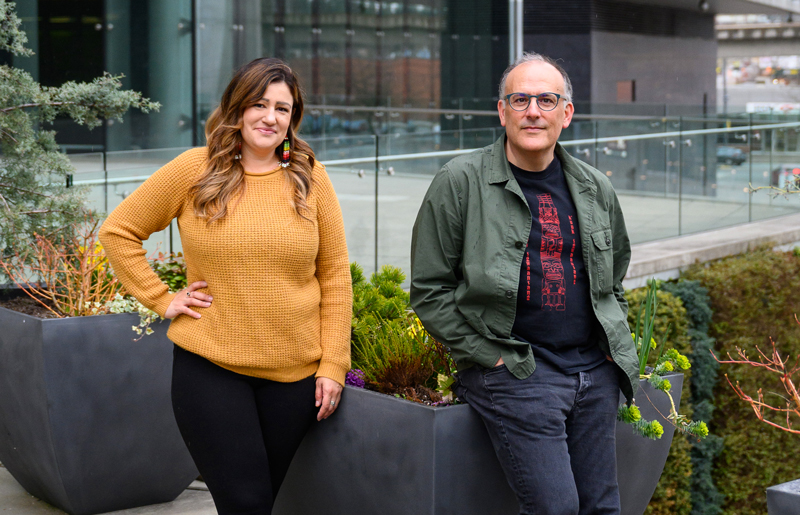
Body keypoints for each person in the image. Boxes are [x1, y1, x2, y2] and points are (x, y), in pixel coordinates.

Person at [99, 58, 352, 514]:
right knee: (246, 501)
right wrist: (162, 298)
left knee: (260, 500)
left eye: (282, 107)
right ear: (237, 107)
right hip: (211, 366)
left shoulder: (311, 176)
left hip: (294, 377)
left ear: (292, 118)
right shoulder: (194, 169)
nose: (269, 117)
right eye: (259, 103)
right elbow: (119, 231)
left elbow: (334, 274)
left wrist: (334, 363)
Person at [410, 52, 639, 515]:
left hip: (592, 372)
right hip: (516, 371)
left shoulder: (596, 187)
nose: (533, 111)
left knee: (603, 508)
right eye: (520, 99)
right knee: (555, 508)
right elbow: (429, 291)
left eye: (547, 99)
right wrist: (489, 357)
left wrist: (608, 352)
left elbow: (613, 282)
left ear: (566, 114)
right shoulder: (460, 182)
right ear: (502, 110)